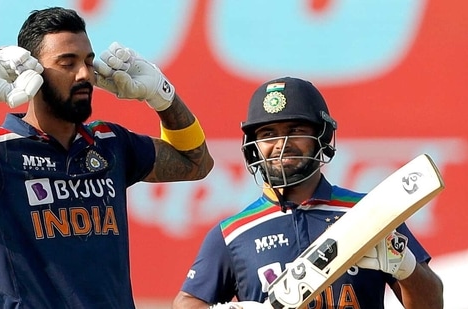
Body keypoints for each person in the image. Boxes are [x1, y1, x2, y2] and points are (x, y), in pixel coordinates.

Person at [0, 7, 213, 309]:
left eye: (88, 61)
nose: (84, 74)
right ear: (30, 73)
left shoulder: (110, 142)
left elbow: (196, 163)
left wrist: (163, 97)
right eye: (67, 63)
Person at [173, 77, 443, 309]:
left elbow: (433, 303)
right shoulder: (233, 234)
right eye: (268, 134)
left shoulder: (370, 213)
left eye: (296, 130)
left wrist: (404, 265)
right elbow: (187, 302)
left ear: (322, 137)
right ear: (254, 147)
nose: (282, 144)